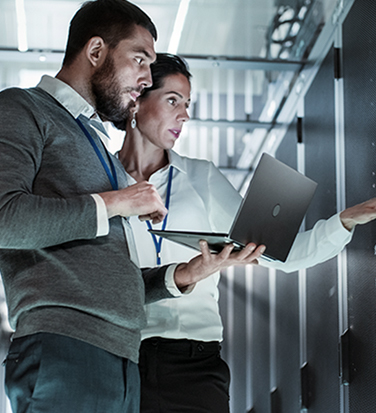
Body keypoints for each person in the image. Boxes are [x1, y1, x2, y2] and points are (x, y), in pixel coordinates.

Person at [0, 2, 265, 413]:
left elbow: (110, 278)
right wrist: (121, 200)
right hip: (64, 348)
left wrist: (185, 275)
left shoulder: (99, 149)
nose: (145, 78)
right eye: (139, 59)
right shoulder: (22, 109)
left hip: (121, 361)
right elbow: (5, 219)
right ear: (95, 52)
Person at [116, 53, 376, 413]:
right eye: (173, 100)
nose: (185, 115)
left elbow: (282, 256)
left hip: (194, 365)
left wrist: (347, 219)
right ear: (137, 99)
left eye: (188, 104)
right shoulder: (101, 183)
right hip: (120, 360)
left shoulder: (201, 177)